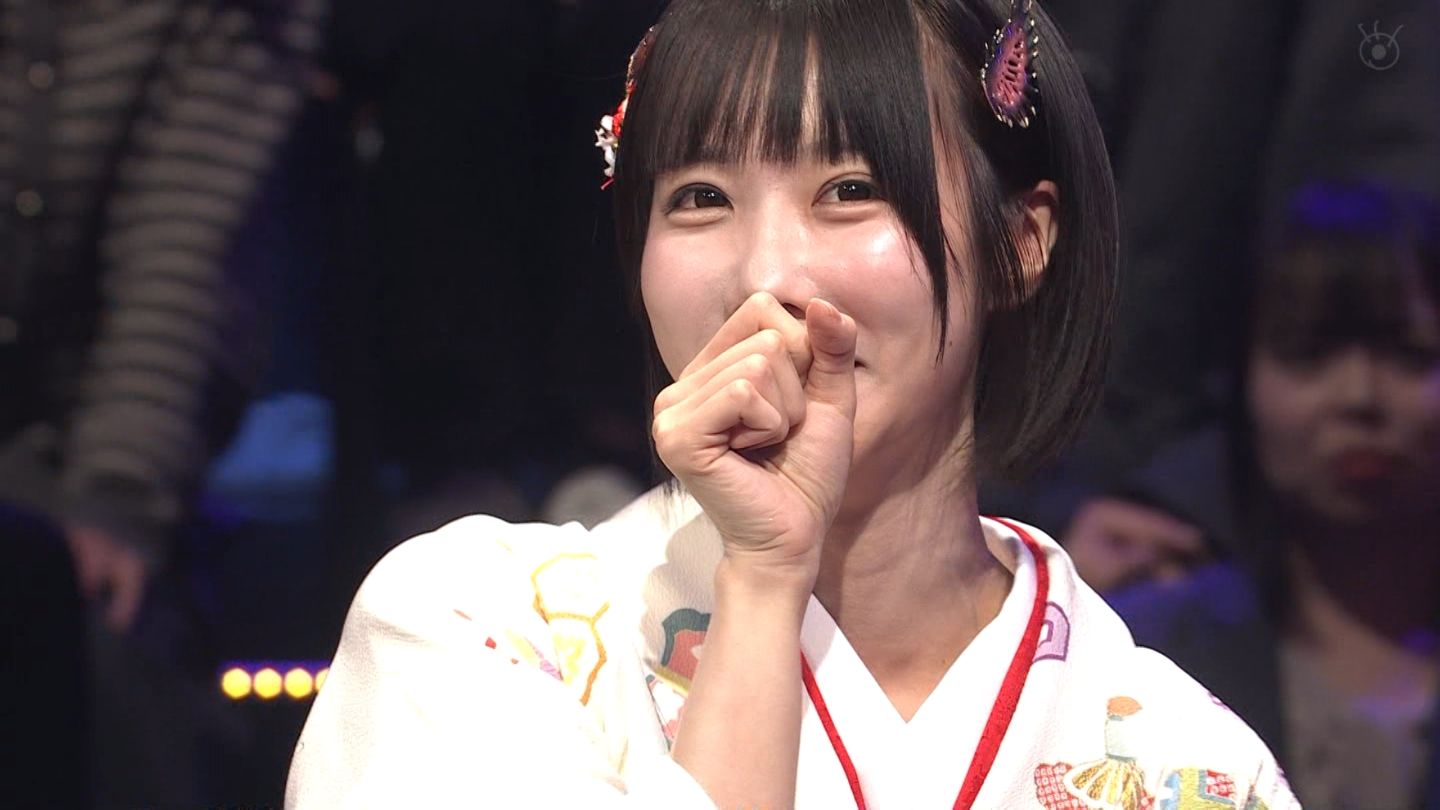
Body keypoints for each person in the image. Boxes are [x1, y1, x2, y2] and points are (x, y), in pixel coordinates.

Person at [287, 1, 1297, 807]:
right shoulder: (475, 628)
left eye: (850, 189)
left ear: (1020, 243)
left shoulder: (1185, 763)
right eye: (700, 199)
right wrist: (765, 581)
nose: (766, 277)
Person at [1099, 182, 1440, 808]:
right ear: (1242, 383)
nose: (1359, 395)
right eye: (1308, 354)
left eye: (1411, 355)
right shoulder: (1147, 655)